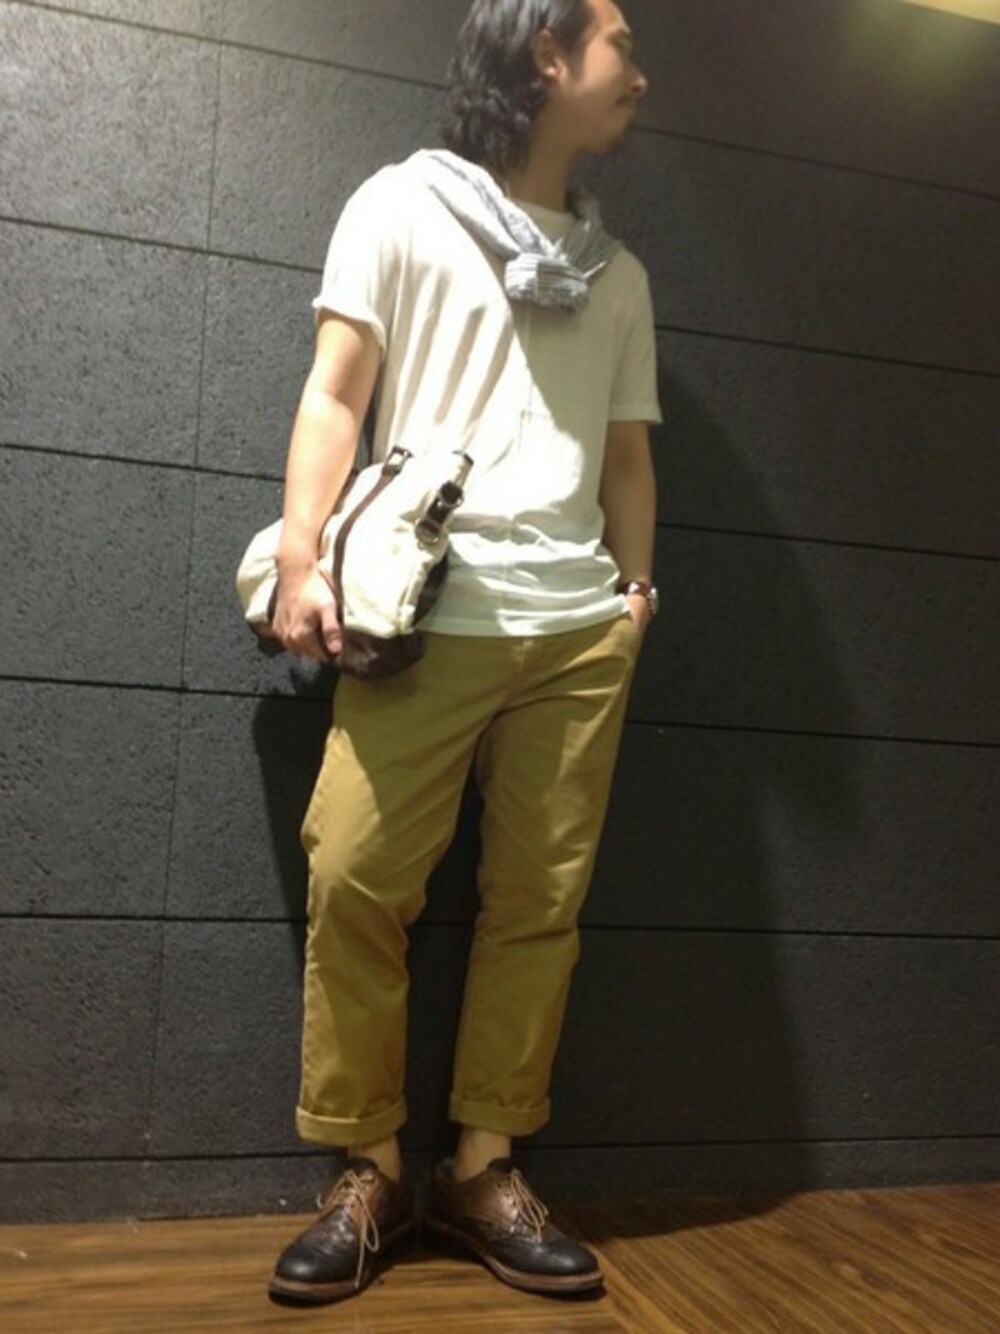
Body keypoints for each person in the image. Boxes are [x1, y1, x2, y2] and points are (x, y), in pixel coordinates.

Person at [266, 0, 660, 1306]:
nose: (640, 75)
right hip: (423, 613)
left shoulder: (619, 274)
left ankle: (485, 1166)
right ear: (547, 52)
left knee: (539, 905)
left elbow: (627, 454)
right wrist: (306, 557)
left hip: (576, 632)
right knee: (354, 875)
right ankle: (369, 1170)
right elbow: (335, 391)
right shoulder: (400, 206)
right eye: (620, 46)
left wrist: (634, 595)